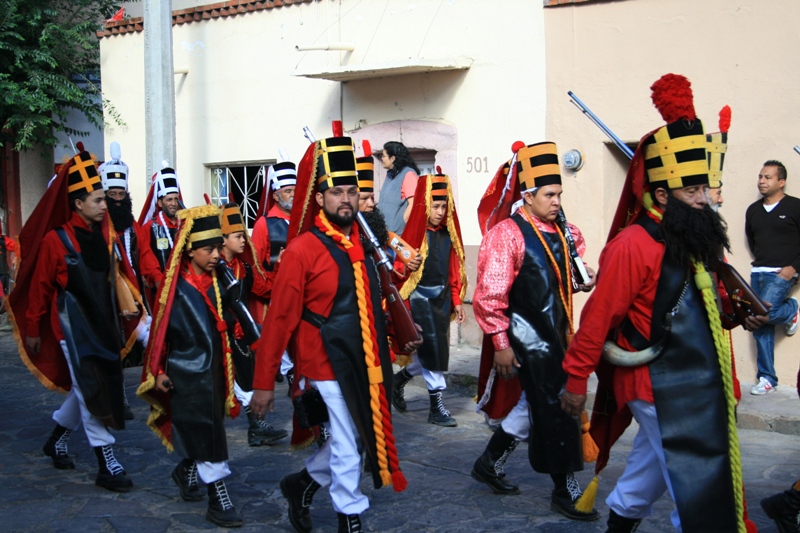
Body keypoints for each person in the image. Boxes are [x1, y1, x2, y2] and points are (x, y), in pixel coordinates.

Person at [560, 74, 762, 532]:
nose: (703, 200)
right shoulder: (632, 245)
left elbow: (706, 306)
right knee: (700, 491)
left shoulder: (697, 235)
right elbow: (598, 317)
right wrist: (575, 379)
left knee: (647, 473)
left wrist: (738, 313)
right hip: (659, 387)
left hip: (698, 382)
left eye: (704, 189)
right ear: (663, 194)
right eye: (692, 192)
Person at [250, 134, 414, 533]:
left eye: (352, 192)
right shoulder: (302, 250)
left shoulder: (366, 244)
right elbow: (279, 321)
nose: (346, 199)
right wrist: (263, 383)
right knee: (346, 441)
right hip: (323, 361)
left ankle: (302, 484)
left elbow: (371, 302)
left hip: (362, 357)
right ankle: (349, 516)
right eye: (336, 192)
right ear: (320, 197)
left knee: (354, 434)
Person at [470, 141, 598, 521]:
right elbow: (489, 296)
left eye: (559, 194)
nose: (556, 202)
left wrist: (585, 278)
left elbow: (565, 280)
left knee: (534, 405)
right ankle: (565, 488)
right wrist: (501, 343)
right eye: (549, 195)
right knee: (558, 407)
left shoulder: (565, 232)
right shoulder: (507, 235)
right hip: (526, 339)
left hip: (558, 334)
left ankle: (490, 462)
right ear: (527, 196)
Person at [10, 148, 133, 492]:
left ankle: (56, 440)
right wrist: (32, 329)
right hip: (71, 329)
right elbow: (39, 288)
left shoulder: (103, 236)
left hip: (101, 325)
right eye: (98, 200)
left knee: (88, 388)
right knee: (90, 388)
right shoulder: (55, 240)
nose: (105, 205)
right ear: (78, 204)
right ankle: (107, 462)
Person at [138, 205, 244, 528]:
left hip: (215, 370)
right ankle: (218, 495)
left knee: (207, 427)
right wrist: (158, 371)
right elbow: (160, 333)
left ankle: (185, 471)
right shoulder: (174, 287)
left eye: (218, 248)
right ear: (190, 251)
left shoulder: (219, 282)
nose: (216, 256)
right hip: (186, 372)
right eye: (208, 250)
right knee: (208, 431)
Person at [393, 171, 467, 427]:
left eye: (443, 206)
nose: (440, 211)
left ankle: (399, 380)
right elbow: (397, 272)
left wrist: (457, 301)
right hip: (419, 302)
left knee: (433, 353)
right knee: (433, 352)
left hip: (441, 301)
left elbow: (453, 271)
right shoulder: (413, 235)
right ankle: (436, 407)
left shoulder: (448, 235)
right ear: (424, 204)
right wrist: (406, 267)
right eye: (435, 206)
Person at [98, 142, 163, 418]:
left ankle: (156, 390)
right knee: (112, 349)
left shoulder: (134, 226)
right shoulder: (98, 227)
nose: (116, 199)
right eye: (111, 194)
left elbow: (146, 257)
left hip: (137, 296)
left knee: (153, 341)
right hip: (107, 295)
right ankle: (119, 398)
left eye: (120, 194)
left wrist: (160, 280)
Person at [219, 202, 287, 446]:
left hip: (241, 334)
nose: (244, 240)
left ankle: (256, 428)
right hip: (219, 335)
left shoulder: (244, 269)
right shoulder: (213, 269)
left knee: (246, 381)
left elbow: (265, 287)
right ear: (223, 240)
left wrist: (280, 266)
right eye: (238, 236)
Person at [745, 159, 800, 395]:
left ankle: (791, 309)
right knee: (759, 324)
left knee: (762, 314)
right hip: (758, 272)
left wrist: (794, 267)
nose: (762, 181)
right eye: (760, 176)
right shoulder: (753, 210)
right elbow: (753, 240)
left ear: (782, 182)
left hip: (782, 273)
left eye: (768, 177)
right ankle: (767, 378)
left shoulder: (795, 206)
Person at [140, 165, 182, 272]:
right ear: (159, 203)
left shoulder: (185, 225)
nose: (174, 203)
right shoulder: (148, 228)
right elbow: (146, 261)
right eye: (169, 200)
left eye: (176, 199)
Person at [378, 141, 420, 234]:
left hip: (399, 235)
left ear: (392, 158)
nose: (382, 158)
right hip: (386, 233)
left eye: (384, 156)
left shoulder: (408, 174)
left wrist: (400, 225)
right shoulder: (390, 175)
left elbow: (414, 204)